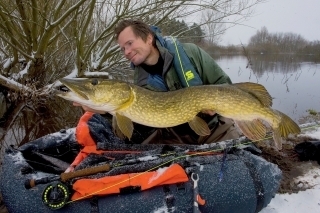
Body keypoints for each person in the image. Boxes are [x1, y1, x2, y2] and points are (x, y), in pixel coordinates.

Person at [73, 19, 241, 145]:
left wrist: (217, 106)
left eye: (130, 44)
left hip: (215, 131)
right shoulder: (138, 84)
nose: (127, 52)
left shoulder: (190, 53)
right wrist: (105, 112)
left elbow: (225, 86)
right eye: (123, 48)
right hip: (178, 141)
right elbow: (138, 127)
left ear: (148, 38)